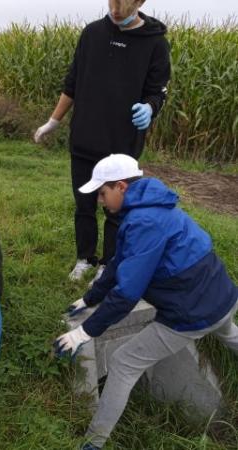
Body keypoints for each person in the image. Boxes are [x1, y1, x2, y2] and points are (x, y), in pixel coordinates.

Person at [53, 154, 238, 450]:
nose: (100, 201)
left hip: (193, 313)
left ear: (122, 187)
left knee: (124, 362)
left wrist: (84, 332)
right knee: (228, 333)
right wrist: (89, 298)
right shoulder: (151, 206)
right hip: (223, 297)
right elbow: (119, 262)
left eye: (102, 193)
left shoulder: (143, 221)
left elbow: (127, 294)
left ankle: (93, 443)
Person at [34, 0, 171, 282]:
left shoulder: (155, 43)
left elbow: (158, 92)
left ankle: (108, 264)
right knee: (84, 204)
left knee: (116, 209)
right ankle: (85, 258)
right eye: (112, 1)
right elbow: (72, 83)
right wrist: (54, 121)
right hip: (85, 137)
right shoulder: (92, 34)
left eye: (124, 3)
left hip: (122, 145)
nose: (116, 10)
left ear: (140, 2)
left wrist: (150, 108)